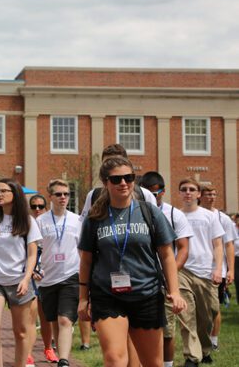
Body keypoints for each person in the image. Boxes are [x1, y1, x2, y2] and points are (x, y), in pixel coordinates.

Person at [77, 157, 186, 367]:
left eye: (128, 178)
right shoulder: (95, 217)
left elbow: (166, 255)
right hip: (107, 295)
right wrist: (83, 298)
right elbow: (86, 261)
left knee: (153, 363)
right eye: (116, 179)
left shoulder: (149, 212)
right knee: (115, 359)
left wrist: (175, 291)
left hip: (146, 294)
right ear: (106, 182)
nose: (123, 183)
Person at [0, 178, 41, 367]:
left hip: (19, 281)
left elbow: (32, 254)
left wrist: (26, 278)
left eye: (4, 191)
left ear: (15, 194)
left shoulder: (27, 221)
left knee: (21, 332)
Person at [139, 171, 193, 367]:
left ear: (163, 191)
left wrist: (167, 275)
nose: (154, 197)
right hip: (140, 279)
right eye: (150, 193)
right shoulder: (133, 212)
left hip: (164, 280)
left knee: (167, 327)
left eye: (158, 193)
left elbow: (183, 249)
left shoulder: (173, 214)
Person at [176, 178, 225, 366]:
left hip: (206, 272)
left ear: (198, 194)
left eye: (192, 189)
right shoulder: (175, 216)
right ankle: (192, 356)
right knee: (186, 315)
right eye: (184, 189)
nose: (188, 192)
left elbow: (218, 245)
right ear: (179, 193)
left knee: (207, 315)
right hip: (182, 270)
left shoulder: (210, 216)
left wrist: (218, 268)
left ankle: (205, 349)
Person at [35, 179, 82, 367]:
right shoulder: (40, 221)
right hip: (47, 278)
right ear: (50, 197)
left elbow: (83, 250)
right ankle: (58, 352)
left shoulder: (77, 220)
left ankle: (63, 361)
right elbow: (35, 249)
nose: (63, 197)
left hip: (71, 275)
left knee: (65, 318)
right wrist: (36, 268)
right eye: (59, 194)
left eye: (66, 194)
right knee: (53, 319)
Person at [198, 185, 236, 352]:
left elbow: (229, 246)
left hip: (216, 270)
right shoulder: (192, 214)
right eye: (208, 194)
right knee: (197, 309)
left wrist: (230, 270)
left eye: (214, 194)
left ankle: (213, 340)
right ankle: (199, 341)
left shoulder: (224, 219)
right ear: (201, 195)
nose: (212, 197)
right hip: (196, 269)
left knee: (214, 308)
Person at [27, 194, 58, 362]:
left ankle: (48, 348)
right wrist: (29, 271)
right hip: (29, 277)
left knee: (46, 316)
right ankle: (28, 352)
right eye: (33, 206)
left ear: (46, 207)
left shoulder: (49, 224)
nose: (37, 209)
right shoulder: (26, 225)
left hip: (47, 276)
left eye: (40, 206)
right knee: (29, 317)